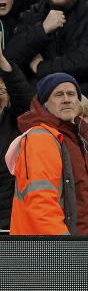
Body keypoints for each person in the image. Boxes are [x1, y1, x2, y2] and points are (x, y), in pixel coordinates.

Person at [6, 72, 88, 235]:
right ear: (44, 103)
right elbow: (41, 205)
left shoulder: (86, 140)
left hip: (85, 248)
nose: (66, 99)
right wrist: (65, 250)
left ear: (78, 102)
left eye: (71, 94)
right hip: (52, 253)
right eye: (58, 94)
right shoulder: (40, 139)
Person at [0, 46, 33, 228]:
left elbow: (27, 103)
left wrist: (3, 63)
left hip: (9, 220)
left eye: (0, 91)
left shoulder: (16, 122)